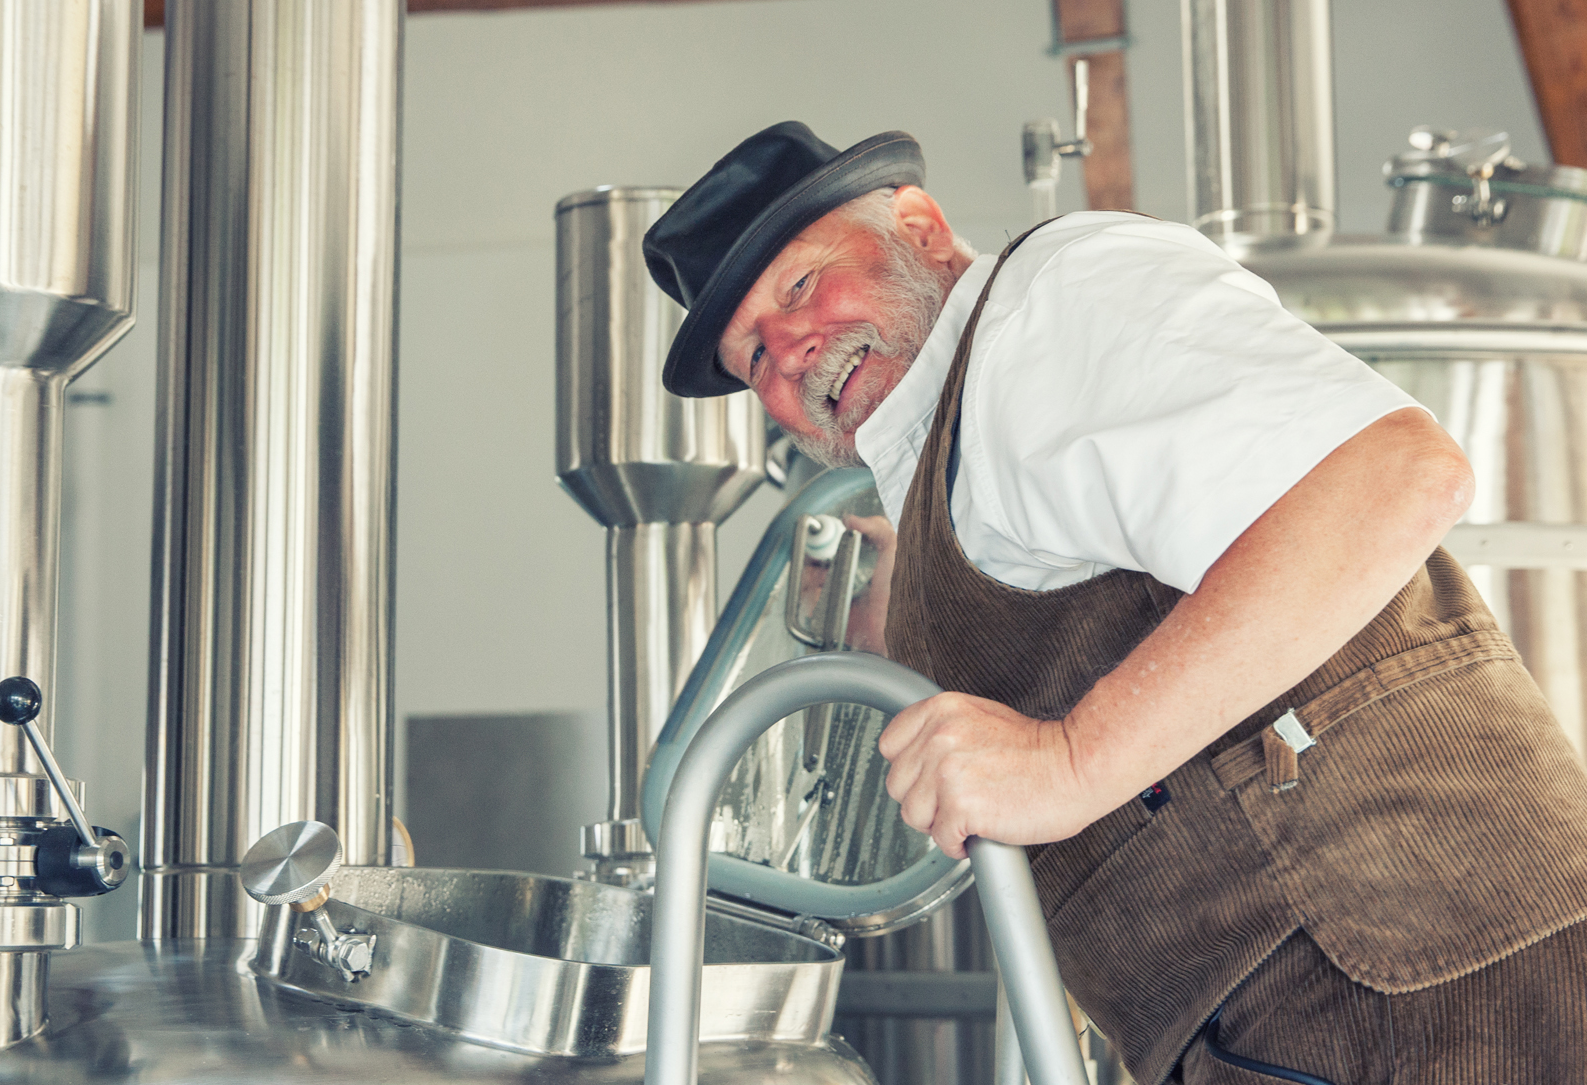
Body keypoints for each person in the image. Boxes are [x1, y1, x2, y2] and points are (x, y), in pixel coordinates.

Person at [642, 121, 1587, 1083]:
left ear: (920, 229)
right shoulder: (950, 447)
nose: (791, 353)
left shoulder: (1049, 305)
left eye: (800, 288)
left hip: (1427, 966)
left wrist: (1070, 758)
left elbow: (1392, 476)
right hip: (1298, 1016)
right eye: (753, 358)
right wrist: (891, 621)